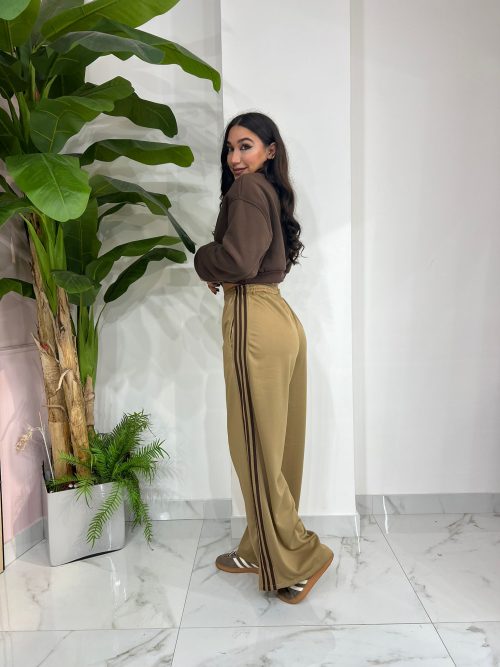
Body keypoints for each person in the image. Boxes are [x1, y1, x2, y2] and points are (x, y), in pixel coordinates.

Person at [194, 111, 334, 604]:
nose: (235, 158)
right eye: (230, 148)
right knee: (276, 447)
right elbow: (251, 260)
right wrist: (225, 267)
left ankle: (299, 556)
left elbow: (237, 261)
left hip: (253, 319)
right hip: (277, 316)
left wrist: (203, 259)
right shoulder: (268, 191)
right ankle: (261, 547)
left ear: (270, 150)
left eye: (246, 146)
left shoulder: (247, 190)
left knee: (254, 446)